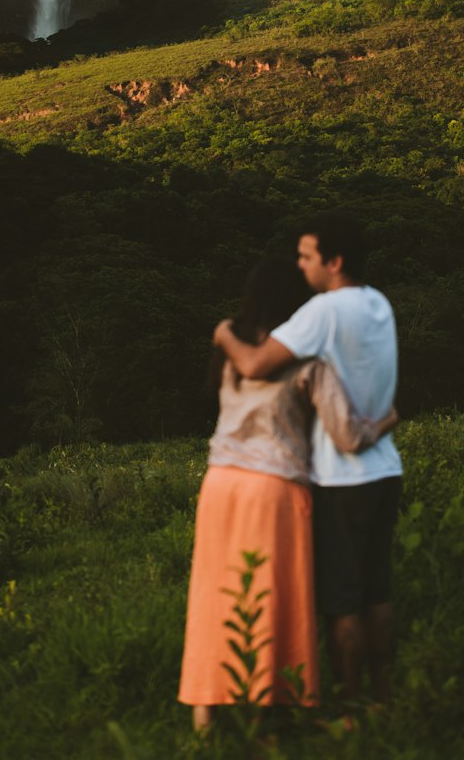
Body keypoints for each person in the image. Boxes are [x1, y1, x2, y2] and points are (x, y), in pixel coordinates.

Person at [180, 256, 397, 732]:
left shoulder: (229, 351)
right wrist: (387, 419)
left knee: (215, 594)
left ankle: (204, 713)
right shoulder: (308, 362)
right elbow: (348, 436)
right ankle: (265, 713)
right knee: (271, 597)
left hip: (219, 484)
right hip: (273, 489)